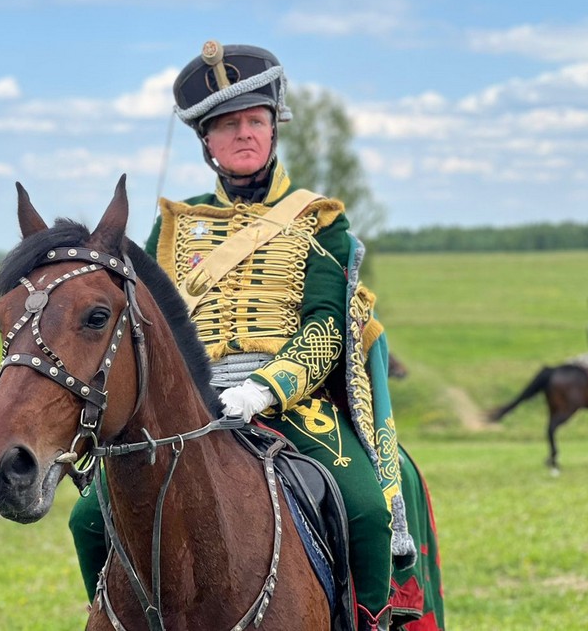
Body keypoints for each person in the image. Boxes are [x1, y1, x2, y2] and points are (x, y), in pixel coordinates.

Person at [68, 41, 417, 631]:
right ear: (207, 143)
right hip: (189, 404)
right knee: (87, 519)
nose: (244, 134)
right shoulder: (174, 226)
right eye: (228, 126)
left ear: (274, 128)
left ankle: (372, 621)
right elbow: (147, 326)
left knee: (365, 508)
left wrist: (264, 389)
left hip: (291, 403)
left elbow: (327, 326)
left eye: (255, 120)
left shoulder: (319, 221)